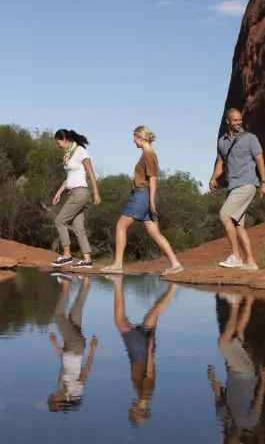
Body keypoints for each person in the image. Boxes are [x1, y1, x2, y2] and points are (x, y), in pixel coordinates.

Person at [101, 126, 183, 276]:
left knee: (120, 226)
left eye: (134, 138)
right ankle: (175, 264)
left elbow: (153, 178)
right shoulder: (148, 154)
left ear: (140, 137)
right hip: (146, 196)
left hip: (142, 196)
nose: (133, 141)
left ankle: (118, 264)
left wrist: (151, 201)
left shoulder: (148, 155)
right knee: (154, 233)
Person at [110, 276, 178, 425]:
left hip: (139, 352)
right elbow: (149, 371)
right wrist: (148, 348)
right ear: (136, 411)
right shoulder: (145, 394)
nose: (130, 408)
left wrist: (149, 347)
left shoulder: (145, 394)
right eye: (131, 412)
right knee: (121, 320)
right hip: (140, 352)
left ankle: (173, 287)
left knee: (152, 314)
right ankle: (117, 282)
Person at [209, 109, 265, 271]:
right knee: (238, 225)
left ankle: (236, 256)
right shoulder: (222, 142)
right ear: (228, 122)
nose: (238, 123)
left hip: (247, 183)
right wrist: (213, 178)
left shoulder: (250, 138)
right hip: (233, 186)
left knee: (224, 215)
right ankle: (250, 262)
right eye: (235, 120)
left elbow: (260, 160)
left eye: (240, 120)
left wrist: (264, 182)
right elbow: (220, 164)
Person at [208, 294, 265, 442]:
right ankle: (235, 304)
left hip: (233, 370)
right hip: (246, 374)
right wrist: (264, 380)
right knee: (223, 343)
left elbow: (219, 395)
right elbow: (258, 402)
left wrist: (212, 379)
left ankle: (249, 300)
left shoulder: (226, 420)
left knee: (238, 334)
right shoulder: (249, 423)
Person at [51, 129, 101, 268]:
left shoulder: (80, 151)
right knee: (78, 227)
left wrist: (96, 193)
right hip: (72, 192)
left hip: (80, 192)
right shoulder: (67, 156)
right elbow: (68, 179)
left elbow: (90, 172)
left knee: (60, 221)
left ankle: (67, 255)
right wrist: (59, 193)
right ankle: (87, 260)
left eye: (58, 142)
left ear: (65, 139)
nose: (58, 145)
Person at [47, 275, 98, 411]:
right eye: (52, 398)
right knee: (58, 316)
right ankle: (66, 284)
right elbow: (86, 371)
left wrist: (55, 345)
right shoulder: (73, 392)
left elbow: (65, 363)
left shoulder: (62, 388)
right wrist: (93, 349)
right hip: (75, 346)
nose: (52, 395)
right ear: (58, 402)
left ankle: (86, 282)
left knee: (75, 311)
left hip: (71, 346)